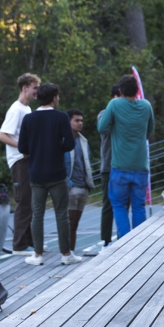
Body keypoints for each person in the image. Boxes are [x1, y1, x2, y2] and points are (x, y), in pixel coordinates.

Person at [17, 82, 81, 266]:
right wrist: (55, 147)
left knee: (37, 213)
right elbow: (69, 144)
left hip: (36, 173)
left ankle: (37, 255)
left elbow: (22, 147)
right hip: (57, 173)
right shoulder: (60, 117)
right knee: (61, 213)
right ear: (54, 97)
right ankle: (66, 254)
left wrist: (36, 150)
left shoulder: (29, 119)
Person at [99, 74, 156, 239]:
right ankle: (137, 242)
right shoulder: (146, 106)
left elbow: (102, 127)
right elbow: (150, 129)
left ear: (121, 91)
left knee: (118, 205)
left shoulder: (114, 105)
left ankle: (124, 241)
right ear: (137, 90)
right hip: (140, 166)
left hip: (119, 166)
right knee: (138, 206)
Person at [0, 73, 41, 254]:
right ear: (25, 88)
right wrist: (22, 147)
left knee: (30, 201)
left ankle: (29, 241)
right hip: (19, 161)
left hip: (28, 161)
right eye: (35, 88)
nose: (37, 92)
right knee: (23, 201)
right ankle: (19, 245)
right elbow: (2, 135)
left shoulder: (27, 110)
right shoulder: (16, 109)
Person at [94, 84, 120, 251]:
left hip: (124, 166)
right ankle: (106, 241)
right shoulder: (104, 114)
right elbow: (105, 128)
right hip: (108, 167)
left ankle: (123, 237)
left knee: (124, 205)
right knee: (108, 205)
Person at [64, 108, 94, 253]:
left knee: (75, 224)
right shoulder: (63, 140)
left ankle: (72, 252)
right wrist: (68, 184)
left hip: (83, 187)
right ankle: (66, 252)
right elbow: (60, 164)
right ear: (68, 122)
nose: (80, 123)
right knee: (69, 223)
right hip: (71, 187)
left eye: (81, 120)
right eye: (76, 120)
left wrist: (88, 184)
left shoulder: (83, 141)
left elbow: (86, 163)